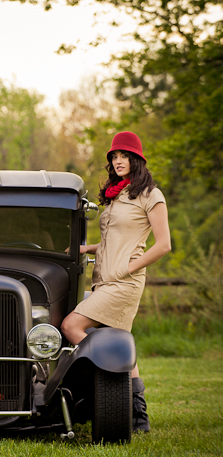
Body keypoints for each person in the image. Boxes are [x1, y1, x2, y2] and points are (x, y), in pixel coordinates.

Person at [60, 131, 171, 433]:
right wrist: (86, 248)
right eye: (114, 157)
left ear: (137, 159)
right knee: (119, 344)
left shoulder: (151, 195)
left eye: (124, 155)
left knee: (71, 326)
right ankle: (137, 416)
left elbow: (163, 245)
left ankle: (96, 384)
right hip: (103, 281)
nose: (118, 161)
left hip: (123, 283)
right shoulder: (116, 195)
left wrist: (128, 267)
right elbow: (115, 240)